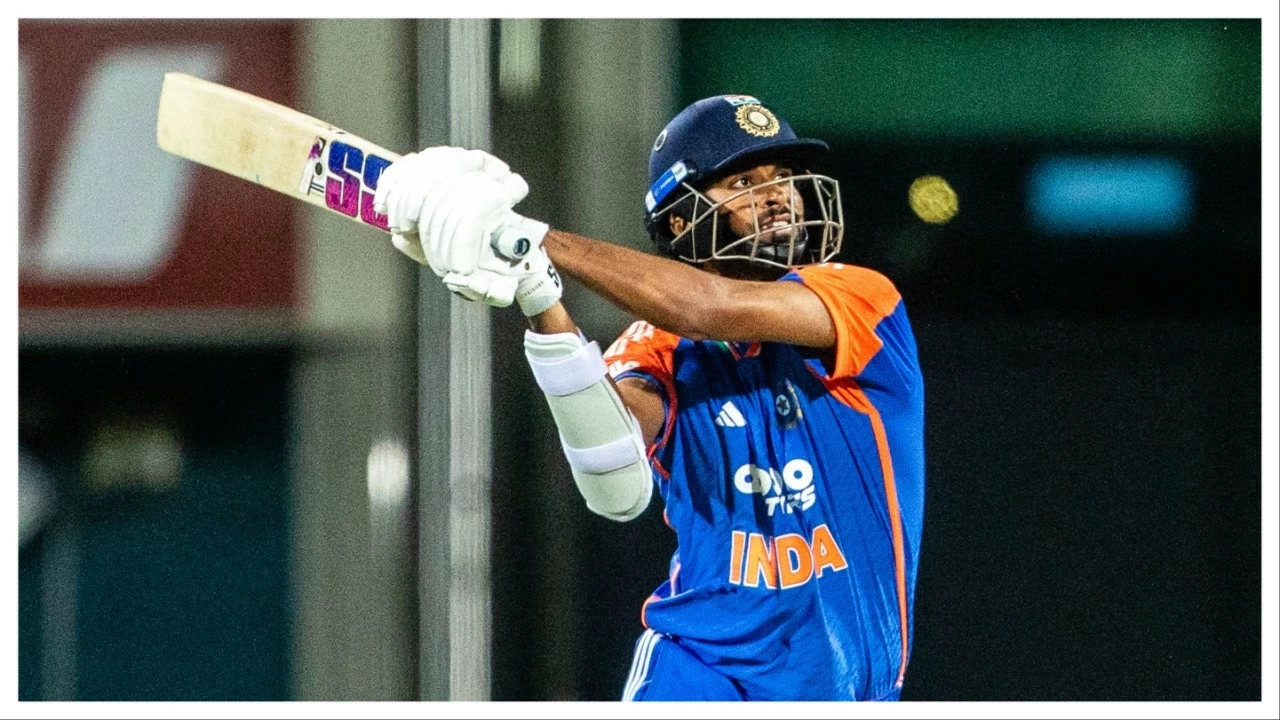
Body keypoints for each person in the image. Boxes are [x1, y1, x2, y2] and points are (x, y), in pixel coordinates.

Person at [373, 94, 925, 701]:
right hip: (700, 677)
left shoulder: (864, 301)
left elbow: (707, 307)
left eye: (783, 178)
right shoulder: (657, 346)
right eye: (743, 181)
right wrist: (535, 288)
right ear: (684, 221)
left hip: (853, 690)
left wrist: (527, 235)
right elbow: (612, 476)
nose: (776, 196)